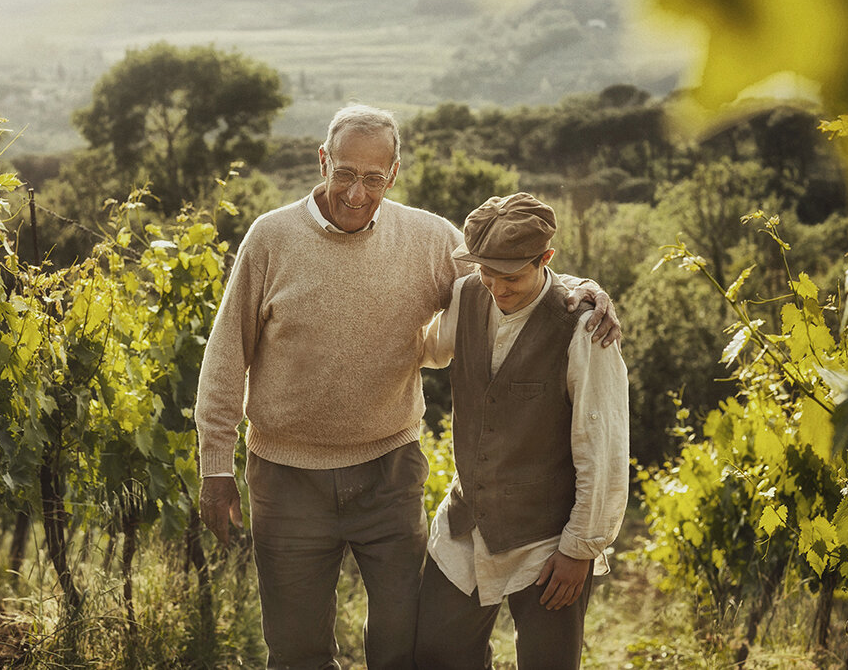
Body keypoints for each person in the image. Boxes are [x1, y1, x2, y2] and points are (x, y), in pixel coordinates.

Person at [194, 105, 621, 670]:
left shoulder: (429, 238)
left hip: (389, 476)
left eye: (373, 176)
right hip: (286, 478)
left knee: (400, 648)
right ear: (323, 161)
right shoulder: (270, 238)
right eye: (344, 171)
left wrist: (583, 290)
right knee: (296, 651)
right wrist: (215, 466)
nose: (356, 190)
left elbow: (512, 278)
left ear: (393, 173)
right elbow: (226, 354)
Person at [414, 193, 630, 670]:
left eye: (511, 277)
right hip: (467, 525)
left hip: (549, 541)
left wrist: (580, 549)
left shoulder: (585, 328)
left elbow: (605, 447)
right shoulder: (470, 293)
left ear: (545, 259)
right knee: (434, 654)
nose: (498, 288)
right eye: (487, 273)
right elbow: (427, 348)